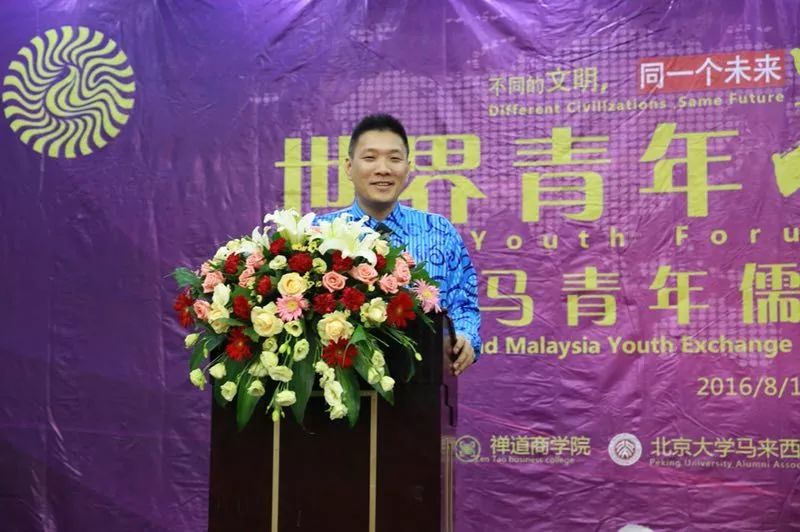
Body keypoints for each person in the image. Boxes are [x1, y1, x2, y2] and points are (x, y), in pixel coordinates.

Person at [316, 114, 481, 375]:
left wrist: (465, 337)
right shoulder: (320, 233)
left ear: (408, 167)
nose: (383, 169)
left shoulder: (439, 232)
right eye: (370, 158)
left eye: (394, 158)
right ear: (348, 167)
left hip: (423, 378)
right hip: (337, 379)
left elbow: (464, 305)